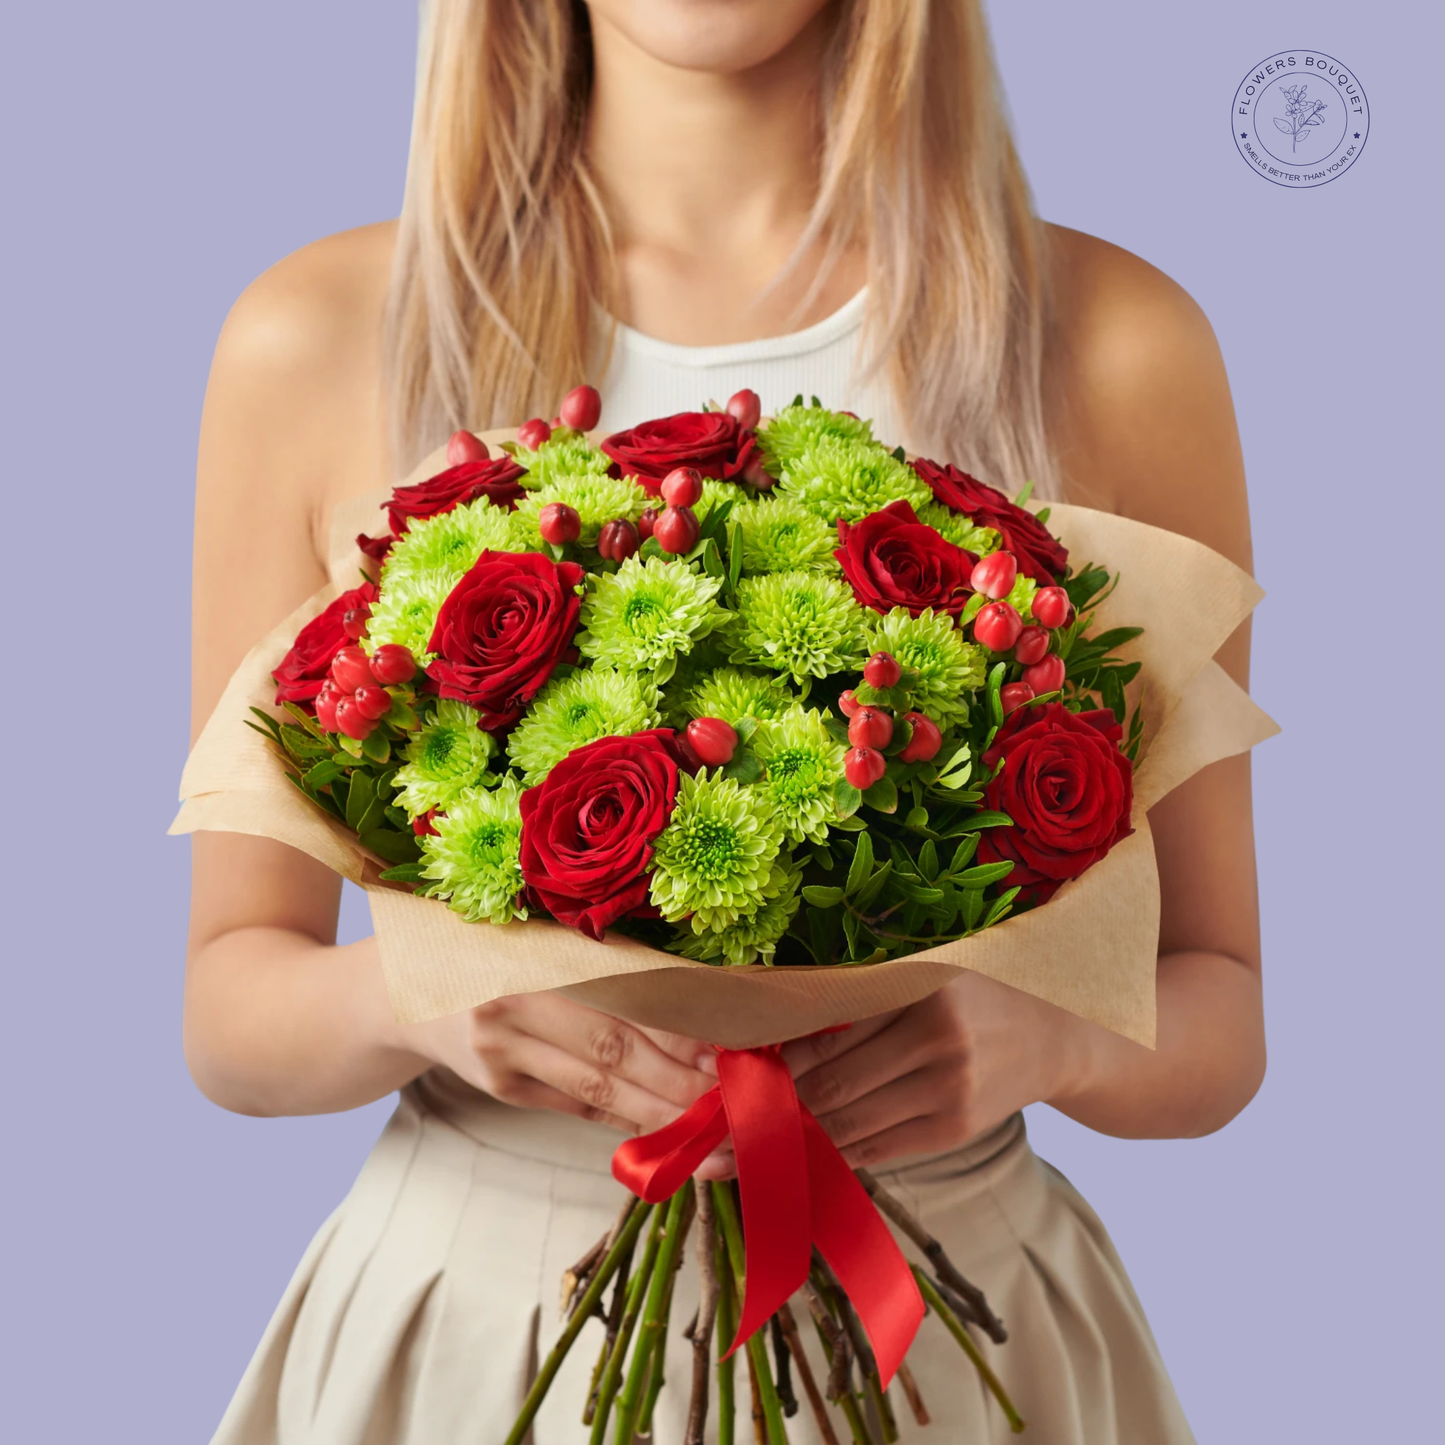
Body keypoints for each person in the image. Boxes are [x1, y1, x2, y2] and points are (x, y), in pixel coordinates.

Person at [187, 2, 1262, 1440]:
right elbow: (227, 1006)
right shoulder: (318, 337)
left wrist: (1042, 1042)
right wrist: (425, 1002)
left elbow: (1219, 1009)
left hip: (944, 1313)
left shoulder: (1119, 341)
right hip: (487, 1318)